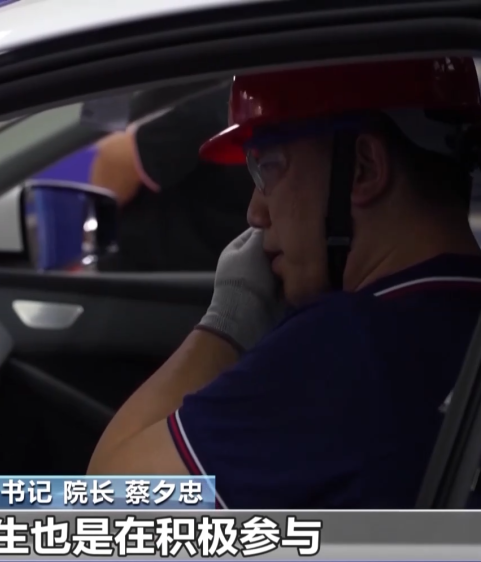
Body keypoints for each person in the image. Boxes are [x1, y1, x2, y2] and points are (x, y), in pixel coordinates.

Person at [88, 57, 481, 509]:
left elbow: (109, 502)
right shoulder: (459, 317)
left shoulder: (346, 346)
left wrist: (229, 316)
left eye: (269, 168)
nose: (255, 212)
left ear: (363, 168)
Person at [91, 88, 254, 272]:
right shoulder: (252, 106)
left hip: (150, 276)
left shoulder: (218, 101)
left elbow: (114, 164)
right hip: (220, 274)